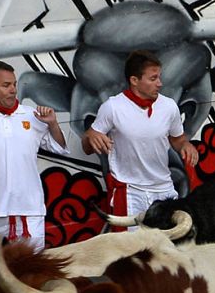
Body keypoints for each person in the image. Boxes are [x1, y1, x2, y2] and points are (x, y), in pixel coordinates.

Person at [83, 50, 199, 227]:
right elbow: (87, 146)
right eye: (153, 79)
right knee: (133, 250)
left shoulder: (169, 107)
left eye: (159, 77)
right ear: (134, 81)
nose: (160, 83)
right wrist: (90, 136)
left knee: (170, 246)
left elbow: (178, 139)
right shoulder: (113, 107)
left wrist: (185, 145)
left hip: (163, 189)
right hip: (130, 193)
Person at [0, 60, 68, 250]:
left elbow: (59, 148)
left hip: (28, 208)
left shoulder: (31, 114)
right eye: (6, 85)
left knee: (30, 271)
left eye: (14, 84)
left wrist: (52, 124)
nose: (13, 90)